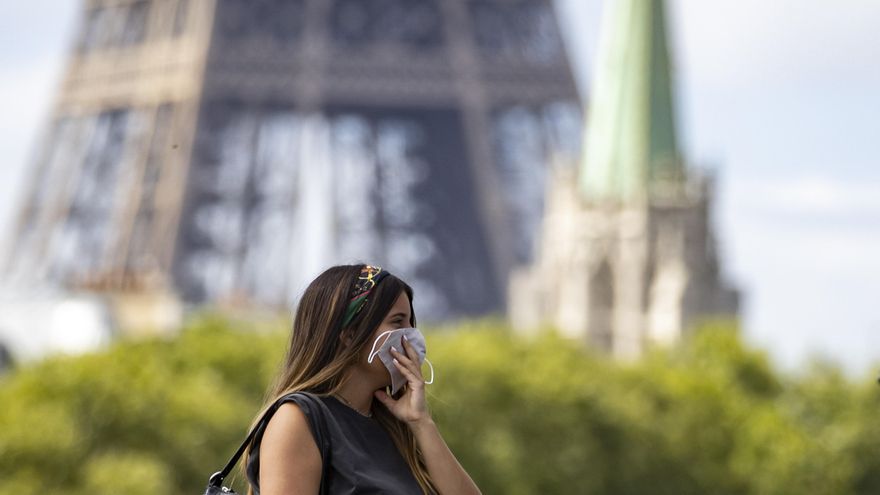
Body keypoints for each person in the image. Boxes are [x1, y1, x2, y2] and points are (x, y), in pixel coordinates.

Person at [241, 263, 482, 495]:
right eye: (398, 322)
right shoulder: (299, 418)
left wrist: (421, 422)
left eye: (411, 323)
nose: (411, 337)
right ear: (349, 335)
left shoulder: (394, 425)